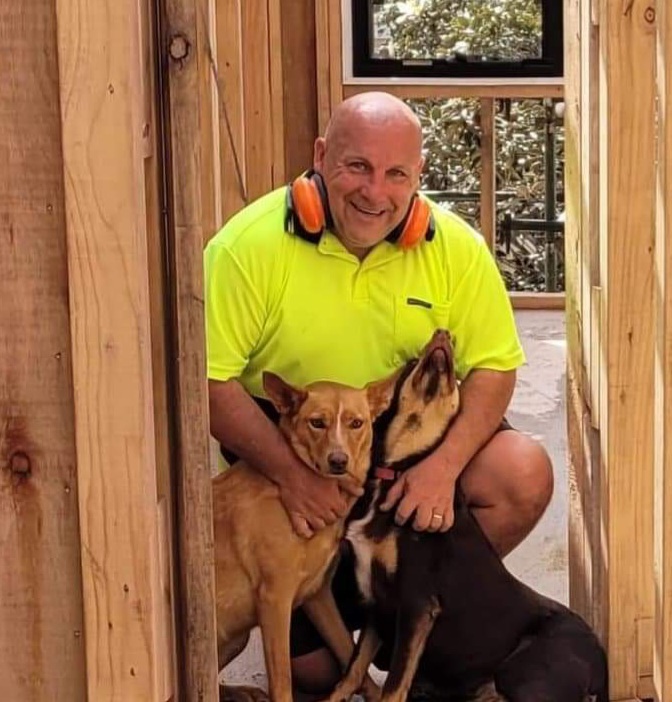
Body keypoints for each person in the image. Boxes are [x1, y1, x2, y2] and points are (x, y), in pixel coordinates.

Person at [204, 91, 553, 697]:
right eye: (357, 167)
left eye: (397, 174)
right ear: (320, 157)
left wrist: (442, 469)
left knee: (521, 472)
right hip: (293, 441)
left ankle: (404, 616)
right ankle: (344, 612)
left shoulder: (455, 249)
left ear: (419, 177)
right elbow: (207, 381)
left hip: (403, 439)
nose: (375, 192)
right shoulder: (247, 248)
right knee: (320, 677)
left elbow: (495, 369)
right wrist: (290, 473)